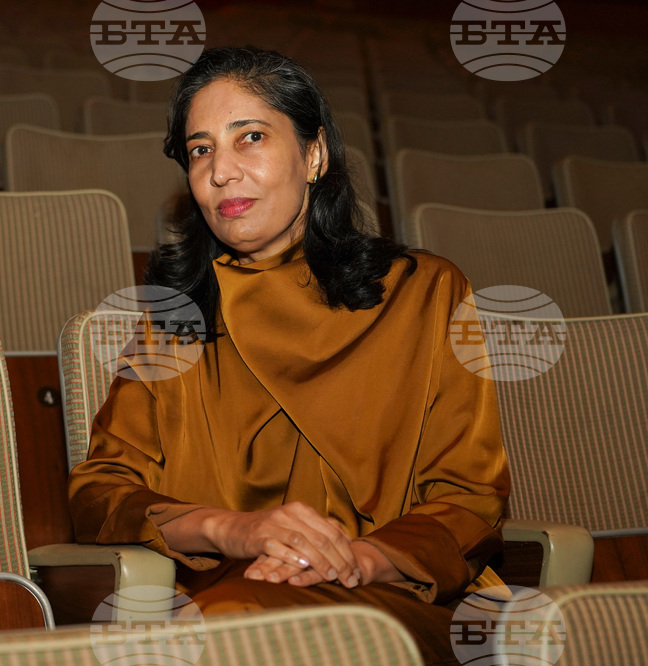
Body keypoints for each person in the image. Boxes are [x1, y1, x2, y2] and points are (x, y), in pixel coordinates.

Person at [68, 46, 510, 665]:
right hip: (226, 593)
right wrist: (232, 530)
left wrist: (356, 559)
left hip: (398, 596)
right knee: (225, 625)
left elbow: (470, 497)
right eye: (201, 150)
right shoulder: (175, 317)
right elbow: (100, 492)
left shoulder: (427, 292)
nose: (221, 172)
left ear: (315, 154)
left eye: (249, 137)